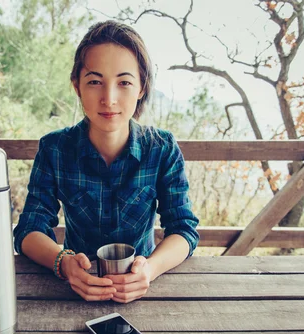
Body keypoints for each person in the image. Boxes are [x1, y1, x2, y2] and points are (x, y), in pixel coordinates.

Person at [13, 20, 199, 303]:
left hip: (143, 293)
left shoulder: (161, 149)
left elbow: (184, 229)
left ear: (141, 88)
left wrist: (150, 269)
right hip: (70, 293)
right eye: (95, 82)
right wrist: (63, 262)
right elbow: (29, 229)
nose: (109, 99)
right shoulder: (55, 149)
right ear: (77, 86)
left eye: (124, 82)